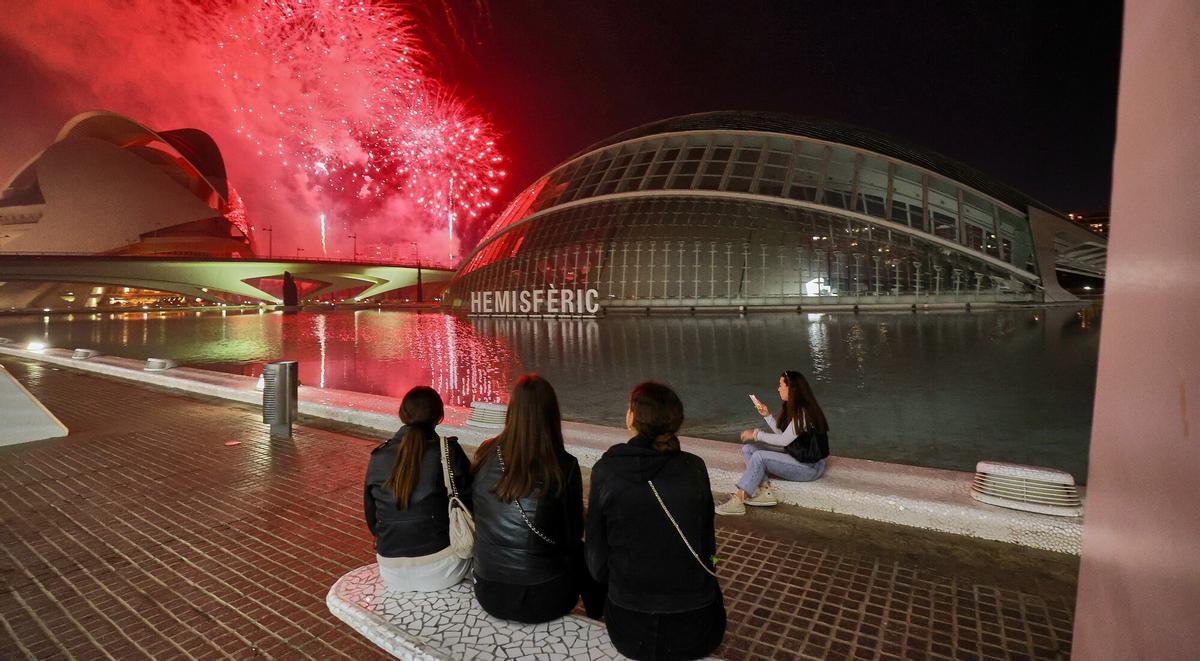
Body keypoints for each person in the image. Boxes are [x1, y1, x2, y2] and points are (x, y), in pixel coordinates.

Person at [587, 382, 725, 660]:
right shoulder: (694, 468)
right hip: (698, 629)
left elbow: (596, 561)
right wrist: (711, 568)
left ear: (632, 419)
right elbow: (708, 545)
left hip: (630, 630)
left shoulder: (607, 471)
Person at [470, 374, 604, 623]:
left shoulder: (486, 453)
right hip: (546, 597)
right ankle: (600, 614)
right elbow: (572, 536)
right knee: (589, 550)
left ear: (512, 412)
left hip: (489, 590)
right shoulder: (563, 466)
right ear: (552, 416)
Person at [364, 385, 473, 592]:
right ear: (439, 416)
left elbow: (372, 518)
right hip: (441, 568)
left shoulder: (378, 457)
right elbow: (471, 500)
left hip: (390, 568)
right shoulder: (448, 451)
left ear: (402, 414)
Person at [715, 370, 830, 516]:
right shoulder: (793, 408)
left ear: (792, 388)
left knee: (759, 456)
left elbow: (783, 441)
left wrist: (756, 434)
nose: (778, 388)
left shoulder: (803, 413)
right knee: (748, 449)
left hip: (809, 468)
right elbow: (784, 437)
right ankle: (765, 491)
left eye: (781, 385)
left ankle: (738, 499)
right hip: (797, 457)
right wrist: (767, 416)